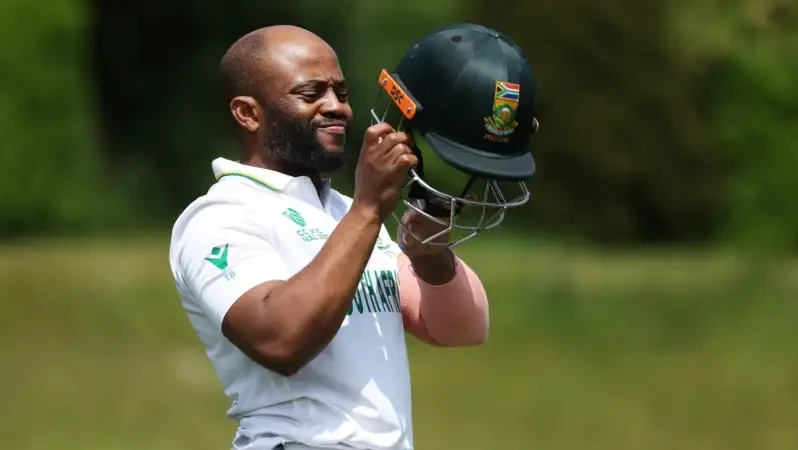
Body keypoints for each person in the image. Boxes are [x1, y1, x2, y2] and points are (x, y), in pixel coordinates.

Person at [169, 22, 537, 450]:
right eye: (311, 95)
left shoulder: (344, 212)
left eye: (341, 94)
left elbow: (462, 330)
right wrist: (367, 208)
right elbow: (280, 340)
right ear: (248, 113)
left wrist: (432, 259)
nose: (337, 108)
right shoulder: (220, 216)